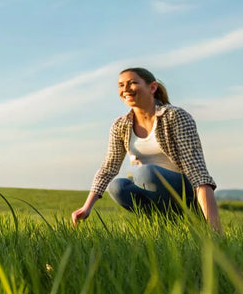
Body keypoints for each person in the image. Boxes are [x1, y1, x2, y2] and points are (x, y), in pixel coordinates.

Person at [71, 67, 223, 233]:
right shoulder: (120, 125)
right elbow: (108, 168)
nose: (125, 89)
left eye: (133, 83)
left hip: (185, 192)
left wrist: (215, 231)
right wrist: (86, 207)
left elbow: (198, 174)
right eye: (120, 85)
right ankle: (168, 227)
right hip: (152, 190)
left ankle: (195, 219)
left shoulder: (175, 116)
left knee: (146, 173)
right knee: (118, 187)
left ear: (152, 87)